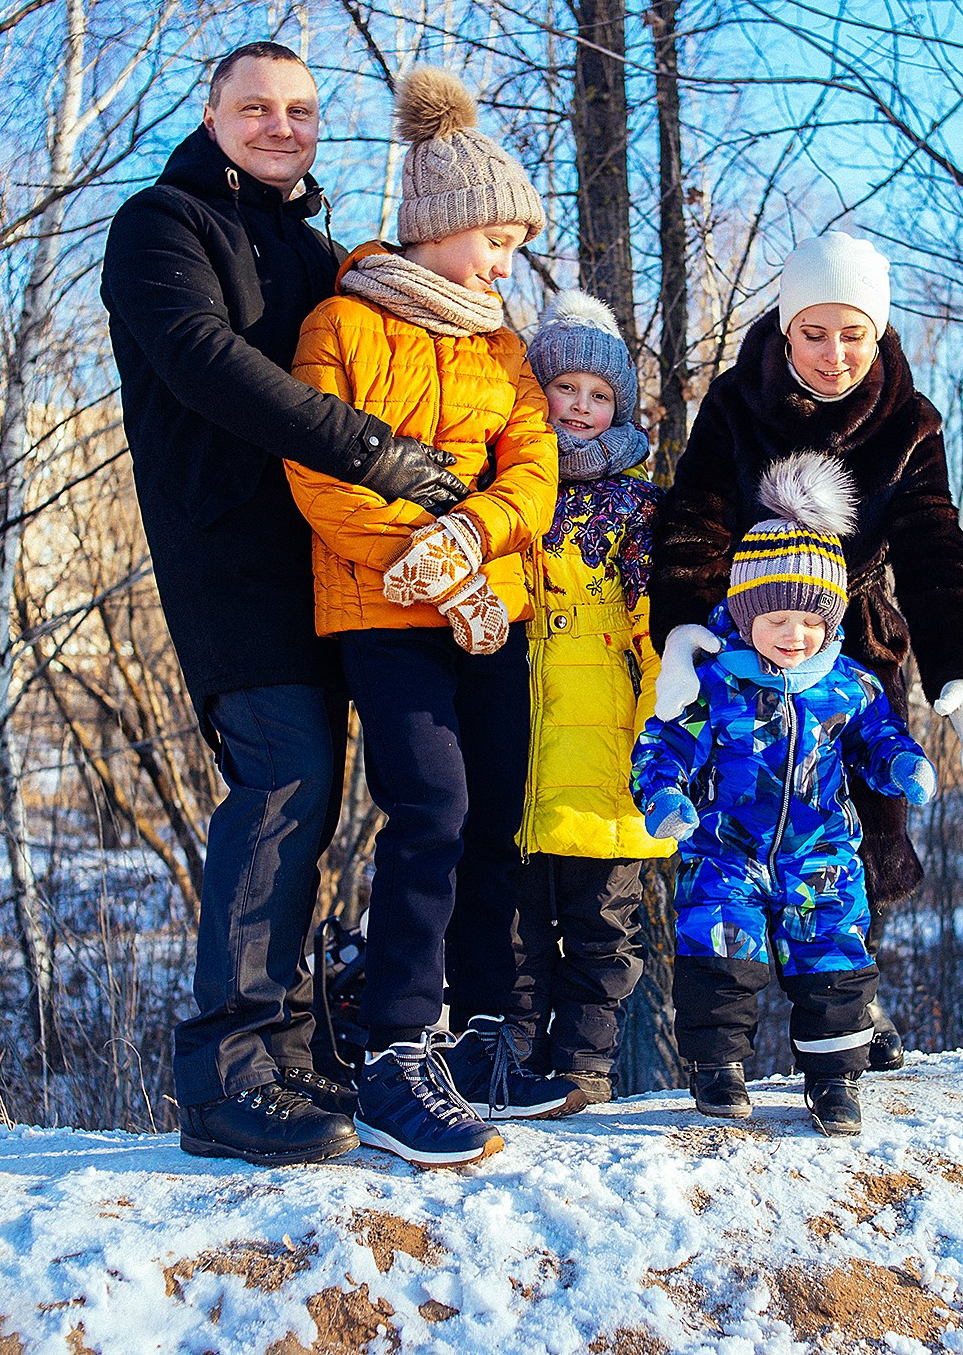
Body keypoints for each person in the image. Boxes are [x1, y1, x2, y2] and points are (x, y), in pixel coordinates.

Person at [102, 42, 470, 1167]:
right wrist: (375, 453)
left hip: (333, 563)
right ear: (211, 116)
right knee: (282, 784)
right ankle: (227, 1073)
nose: (280, 125)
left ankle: (297, 1054)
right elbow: (202, 359)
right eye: (255, 107)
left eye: (300, 109)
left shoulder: (315, 252)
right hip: (230, 561)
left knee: (327, 797)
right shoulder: (162, 224)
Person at [284, 66, 584, 1168]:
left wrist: (478, 536)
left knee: (493, 816)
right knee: (432, 812)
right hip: (381, 609)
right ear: (438, 223)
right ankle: (393, 1053)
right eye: (492, 238)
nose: (504, 260)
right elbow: (317, 474)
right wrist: (422, 552)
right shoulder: (343, 323)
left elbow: (536, 465)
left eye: (512, 241)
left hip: (488, 607)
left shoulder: (501, 343)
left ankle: (478, 1039)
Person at [648, 231, 963, 1071]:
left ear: (877, 332)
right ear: (784, 326)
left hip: (854, 649)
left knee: (860, 831)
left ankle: (853, 1003)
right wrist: (686, 625)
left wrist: (962, 669)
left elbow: (932, 544)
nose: (834, 354)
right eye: (815, 332)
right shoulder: (738, 403)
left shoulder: (911, 423)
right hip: (744, 647)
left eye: (854, 334)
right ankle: (723, 1024)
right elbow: (695, 516)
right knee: (732, 830)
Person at [632, 455, 936, 1137]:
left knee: (832, 958)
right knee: (720, 955)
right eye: (776, 619)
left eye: (811, 620)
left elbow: (875, 737)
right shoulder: (716, 679)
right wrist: (664, 795)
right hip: (726, 849)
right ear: (745, 611)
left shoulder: (846, 684)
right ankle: (718, 1070)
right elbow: (664, 741)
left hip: (818, 852)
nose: (795, 635)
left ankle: (833, 1080)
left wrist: (903, 764)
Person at [508, 291, 674, 1106]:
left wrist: (657, 739)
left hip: (609, 749)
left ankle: (583, 1067)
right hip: (520, 747)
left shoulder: (638, 505)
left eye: (598, 394)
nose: (579, 406)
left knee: (605, 924)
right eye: (563, 387)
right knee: (514, 929)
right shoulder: (507, 486)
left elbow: (658, 628)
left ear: (620, 406)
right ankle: (511, 1059)